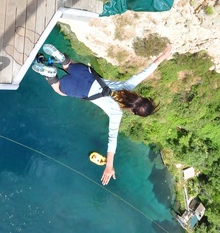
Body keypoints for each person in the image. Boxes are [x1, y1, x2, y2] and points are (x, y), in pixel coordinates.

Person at [33, 44, 173, 185]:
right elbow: (112, 140)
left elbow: (144, 73)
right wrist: (109, 165)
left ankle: (61, 58)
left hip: (86, 73)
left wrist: (163, 57)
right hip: (79, 89)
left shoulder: (127, 86)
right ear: (132, 111)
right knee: (59, 90)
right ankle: (49, 74)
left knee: (69, 65)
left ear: (139, 97)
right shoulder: (116, 113)